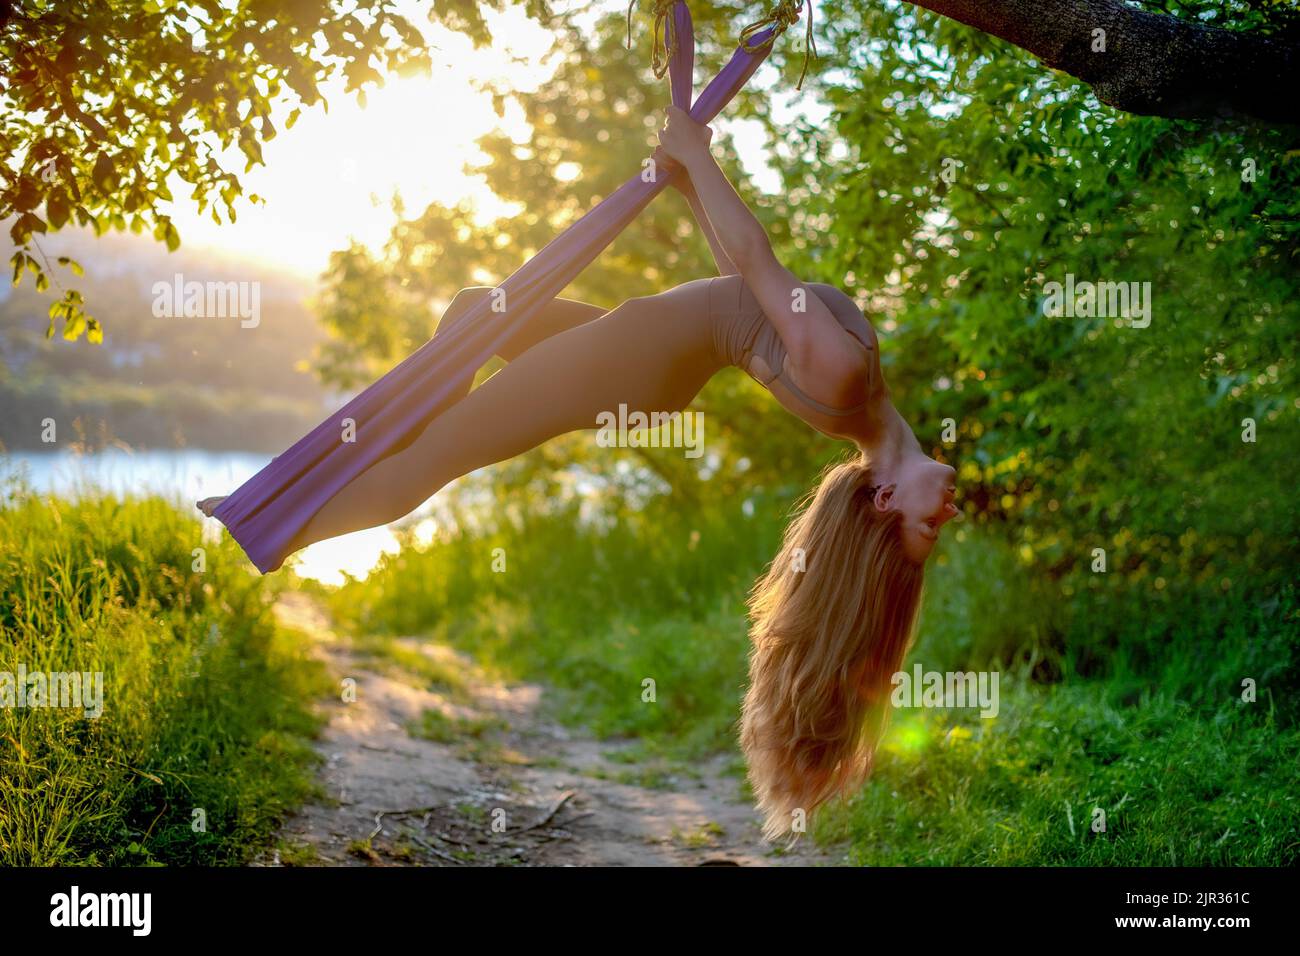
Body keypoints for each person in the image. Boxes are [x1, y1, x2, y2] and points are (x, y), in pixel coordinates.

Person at [199, 105, 959, 838]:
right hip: (639, 360)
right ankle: (346, 474)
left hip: (628, 365)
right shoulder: (854, 394)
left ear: (887, 497)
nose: (948, 512)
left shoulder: (846, 383)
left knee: (427, 460)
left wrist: (695, 155)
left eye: (928, 526)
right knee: (473, 311)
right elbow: (742, 273)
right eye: (942, 525)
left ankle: (273, 523)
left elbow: (759, 260)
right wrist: (694, 175)